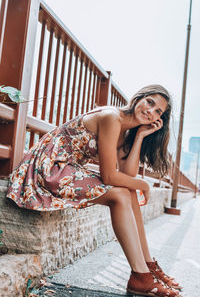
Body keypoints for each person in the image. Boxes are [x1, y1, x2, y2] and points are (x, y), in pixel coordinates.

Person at [7, 84, 182, 296]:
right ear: (140, 98)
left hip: (67, 169)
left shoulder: (126, 130)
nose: (150, 111)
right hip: (48, 168)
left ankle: (147, 268)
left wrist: (139, 137)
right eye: (150, 102)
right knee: (120, 194)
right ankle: (140, 275)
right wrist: (144, 185)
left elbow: (127, 173)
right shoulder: (111, 117)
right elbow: (109, 176)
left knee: (127, 191)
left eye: (157, 111)